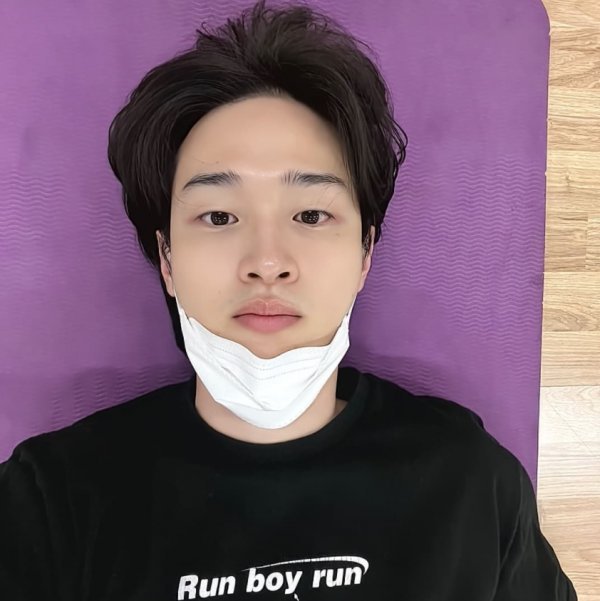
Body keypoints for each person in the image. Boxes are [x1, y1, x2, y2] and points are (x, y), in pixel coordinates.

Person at [0, 1, 578, 599]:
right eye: (219, 216)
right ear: (167, 259)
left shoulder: (471, 485)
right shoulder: (49, 501)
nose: (268, 261)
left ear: (364, 253)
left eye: (310, 214)